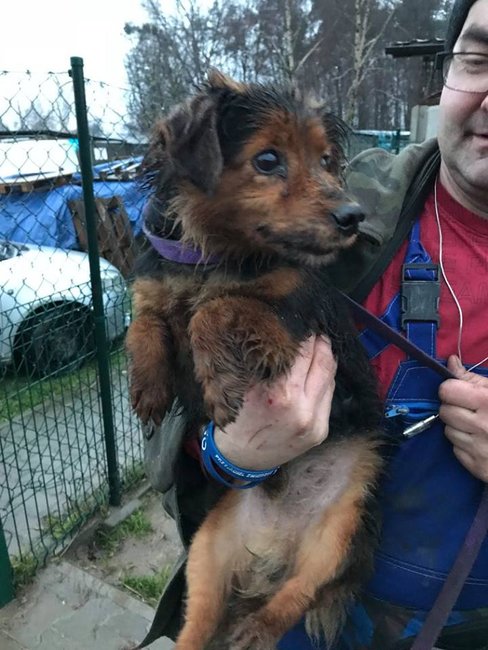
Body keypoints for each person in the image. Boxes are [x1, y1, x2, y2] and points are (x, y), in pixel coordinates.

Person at [140, 0, 488, 647]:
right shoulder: (346, 206)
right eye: (480, 57)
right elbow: (166, 407)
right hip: (288, 601)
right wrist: (227, 455)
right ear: (447, 71)